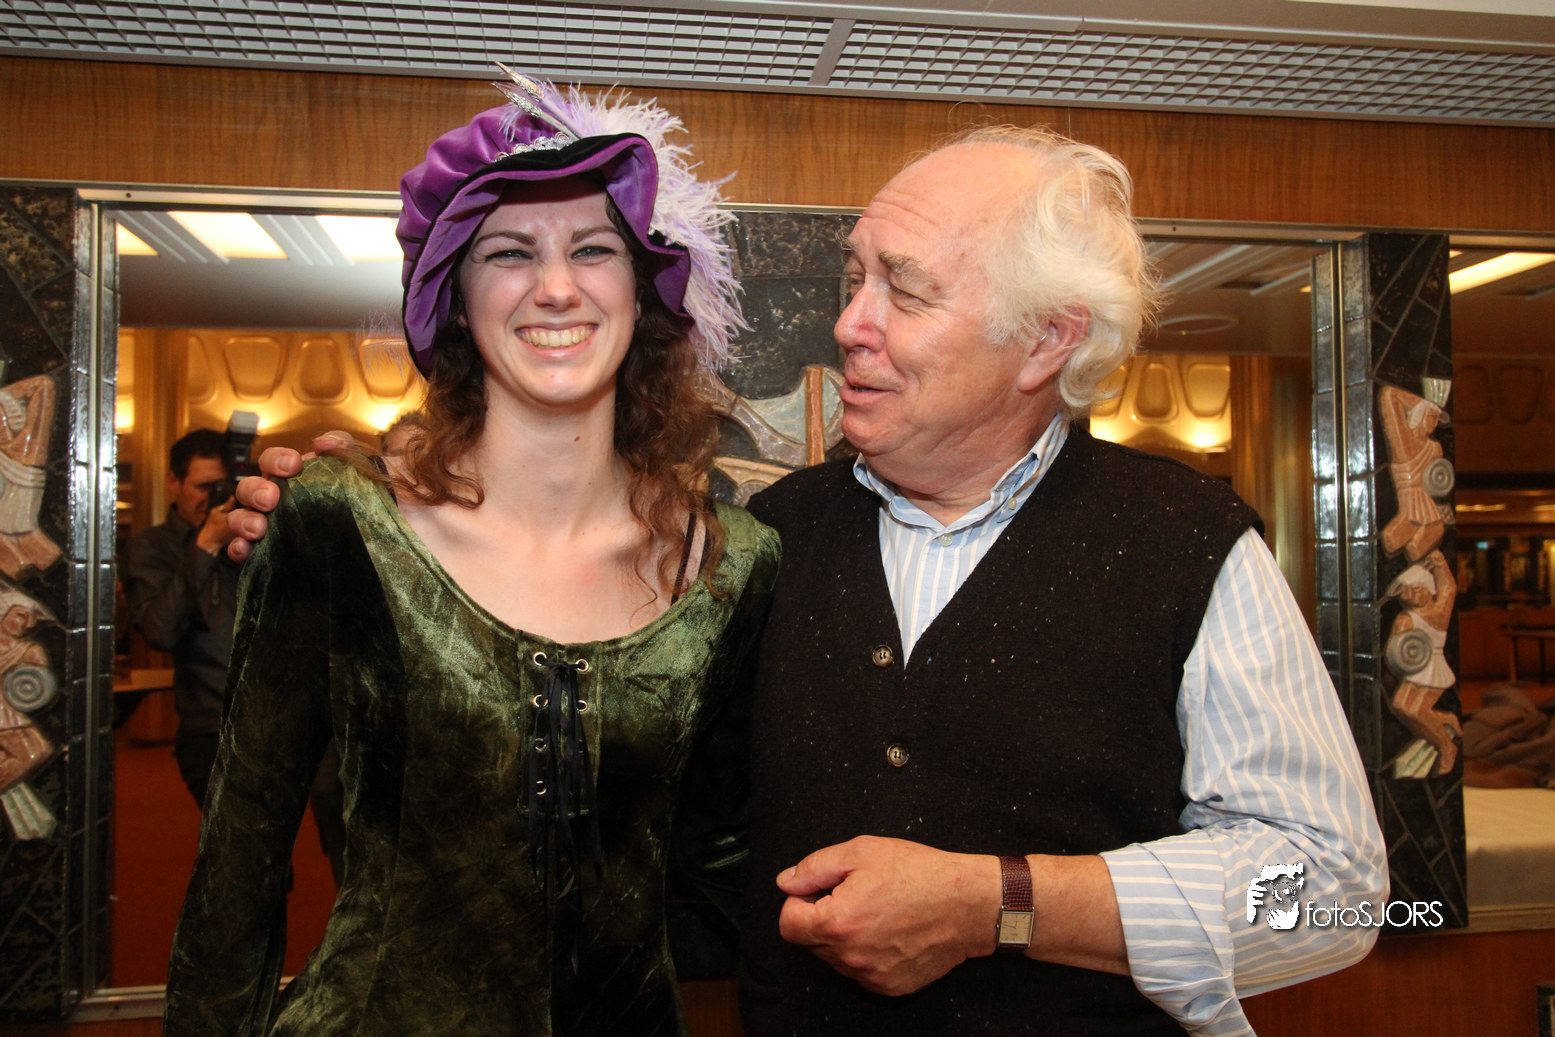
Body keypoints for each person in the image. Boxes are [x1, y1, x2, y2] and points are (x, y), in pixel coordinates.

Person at [231, 125, 1387, 1035]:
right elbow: (629, 822)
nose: (848, 324)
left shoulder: (1188, 545)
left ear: (1044, 340)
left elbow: (1337, 892)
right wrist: (394, 545)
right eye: (854, 276)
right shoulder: (764, 542)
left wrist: (1001, 903)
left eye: (905, 290)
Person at [165, 69, 777, 1037]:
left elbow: (723, 850)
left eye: (593, 248)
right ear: (455, 296)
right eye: (509, 251)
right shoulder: (341, 523)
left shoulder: (730, 565)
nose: (556, 286)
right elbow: (239, 858)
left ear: (643, 289)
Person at [124, 428, 240, 809]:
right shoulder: (151, 547)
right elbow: (158, 630)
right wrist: (206, 545)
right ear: (174, 482)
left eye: (220, 486)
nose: (212, 498)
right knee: (233, 842)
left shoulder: (246, 539)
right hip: (209, 730)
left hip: (271, 721)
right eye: (202, 487)